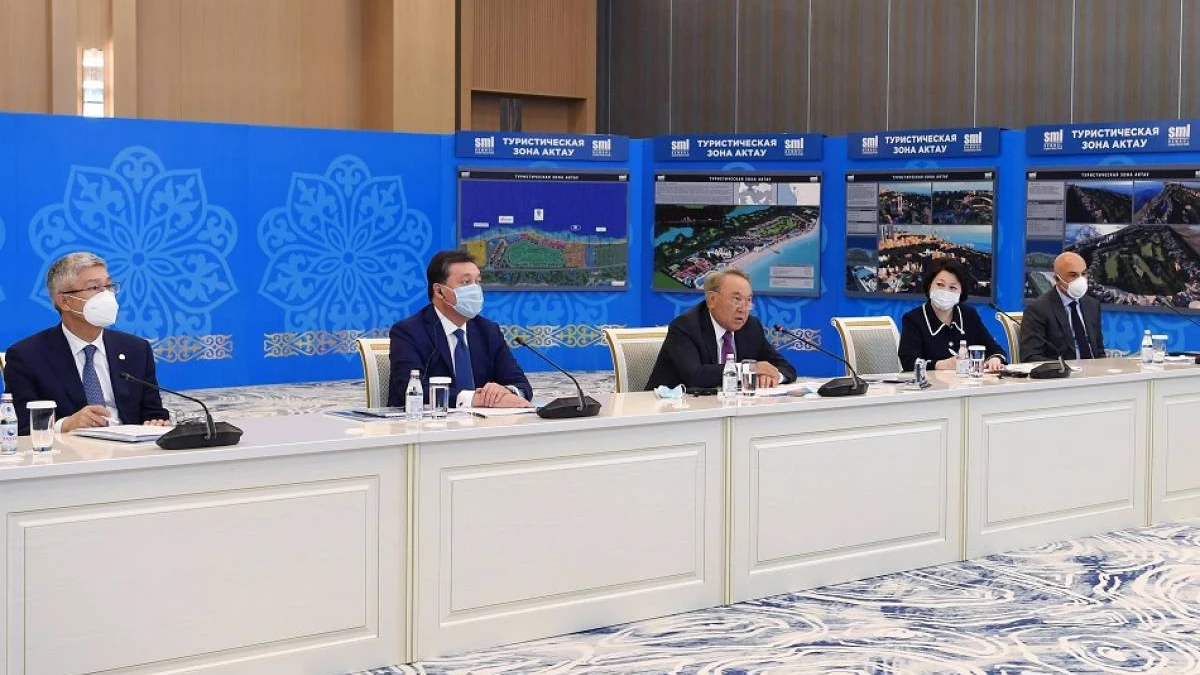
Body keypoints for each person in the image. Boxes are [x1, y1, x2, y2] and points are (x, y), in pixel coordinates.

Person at [3, 252, 170, 435]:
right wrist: (65, 425)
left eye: (109, 286)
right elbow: (21, 426)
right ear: (64, 301)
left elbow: (154, 412)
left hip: (130, 448)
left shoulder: (136, 349)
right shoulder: (27, 356)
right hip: (68, 450)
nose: (107, 295)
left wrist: (157, 423)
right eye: (95, 287)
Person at [387, 250, 532, 409]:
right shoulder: (409, 332)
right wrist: (474, 399)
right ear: (439, 291)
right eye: (466, 282)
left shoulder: (488, 331)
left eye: (477, 281)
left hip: (484, 422)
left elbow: (521, 384)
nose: (475, 289)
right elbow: (411, 390)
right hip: (427, 422)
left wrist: (505, 391)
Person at [645, 268, 796, 391]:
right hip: (669, 409)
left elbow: (786, 368)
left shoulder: (751, 327)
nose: (743, 308)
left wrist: (773, 376)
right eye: (737, 299)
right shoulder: (685, 326)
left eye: (748, 300)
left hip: (727, 408)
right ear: (712, 300)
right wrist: (750, 369)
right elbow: (696, 376)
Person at [898, 258, 1007, 372]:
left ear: (961, 292)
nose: (946, 291)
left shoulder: (969, 315)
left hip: (965, 382)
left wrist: (995, 359)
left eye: (953, 287)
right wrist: (940, 365)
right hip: (930, 383)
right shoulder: (913, 319)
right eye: (940, 285)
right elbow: (908, 363)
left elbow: (995, 350)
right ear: (929, 286)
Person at [1020, 251, 1103, 362]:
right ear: (1057, 279)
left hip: (1093, 370)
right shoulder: (1038, 310)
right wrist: (1064, 367)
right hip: (1062, 371)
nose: (1080, 280)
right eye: (1073, 275)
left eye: (1083, 274)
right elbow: (1030, 356)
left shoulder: (1092, 305)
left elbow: (1099, 350)